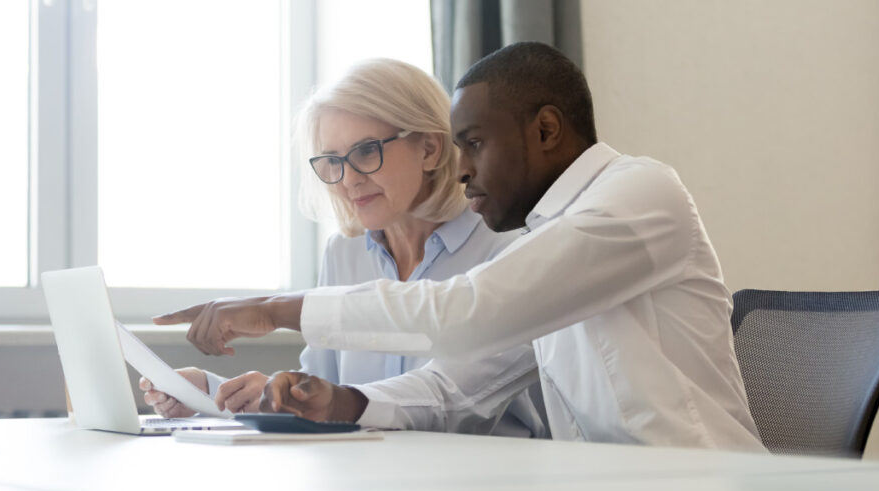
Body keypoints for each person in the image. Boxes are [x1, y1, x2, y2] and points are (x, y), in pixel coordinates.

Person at [155, 42, 765, 451]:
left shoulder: (639, 195)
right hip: (606, 488)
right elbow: (458, 385)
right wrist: (340, 400)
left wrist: (275, 310)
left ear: (546, 131)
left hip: (700, 487)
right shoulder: (544, 238)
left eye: (472, 143)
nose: (460, 167)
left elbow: (465, 313)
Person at [141, 58, 546, 438]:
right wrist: (209, 393)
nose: (348, 179)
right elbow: (321, 395)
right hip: (367, 477)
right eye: (332, 160)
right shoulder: (344, 253)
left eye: (367, 151)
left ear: (429, 149)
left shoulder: (506, 246)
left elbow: (453, 398)